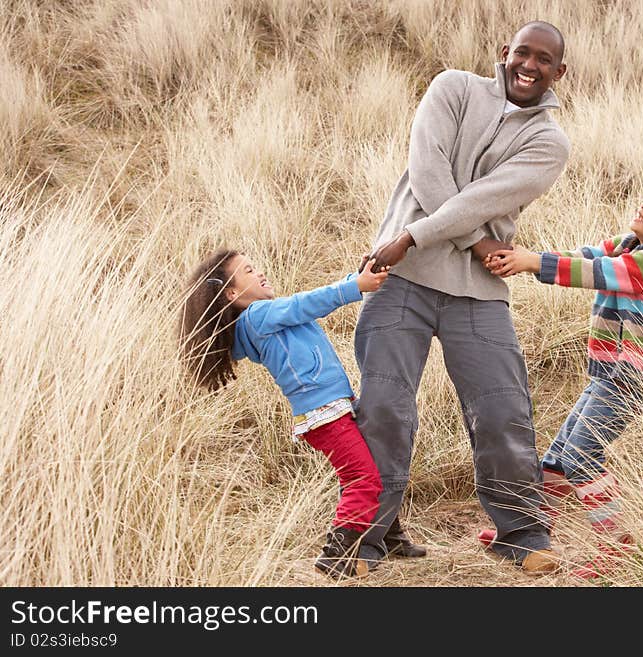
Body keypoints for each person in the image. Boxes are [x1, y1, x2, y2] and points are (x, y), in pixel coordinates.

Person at [354, 21, 571, 574]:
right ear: (505, 53)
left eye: (544, 59)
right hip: (399, 277)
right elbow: (429, 176)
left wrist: (414, 235)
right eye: (523, 52)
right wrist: (474, 242)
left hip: (475, 291)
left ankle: (521, 535)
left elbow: (483, 198)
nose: (530, 64)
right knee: (383, 406)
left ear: (558, 72)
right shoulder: (452, 87)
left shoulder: (549, 142)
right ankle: (365, 535)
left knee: (503, 407)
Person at [482, 182, 643, 578]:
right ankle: (532, 533)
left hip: (631, 379)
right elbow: (584, 256)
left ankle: (615, 545)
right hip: (608, 374)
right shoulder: (630, 245)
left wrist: (533, 262)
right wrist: (526, 258)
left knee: (581, 457)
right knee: (557, 458)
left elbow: (594, 272)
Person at [179, 249, 391, 579]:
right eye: (249, 271)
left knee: (367, 466)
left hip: (325, 411)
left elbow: (299, 310)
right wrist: (357, 286)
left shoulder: (255, 323)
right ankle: (337, 554)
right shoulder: (259, 316)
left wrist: (357, 278)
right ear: (232, 294)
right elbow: (305, 304)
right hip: (325, 412)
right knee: (362, 478)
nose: (260, 273)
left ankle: (388, 533)